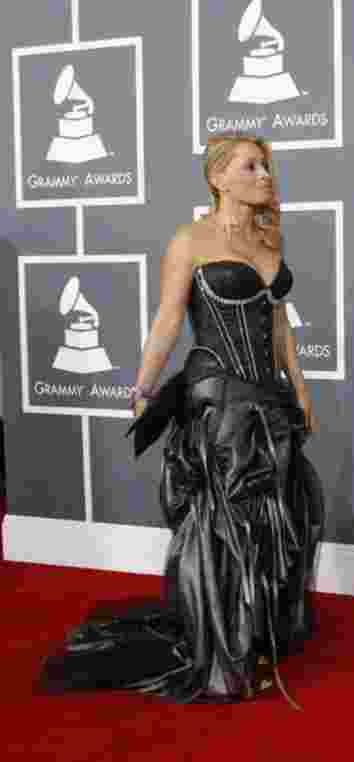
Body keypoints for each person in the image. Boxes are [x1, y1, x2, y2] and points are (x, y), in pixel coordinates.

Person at [40, 133, 324, 706]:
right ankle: (224, 651)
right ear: (218, 177)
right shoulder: (189, 240)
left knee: (277, 519)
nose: (264, 173)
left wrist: (300, 386)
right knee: (229, 527)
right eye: (251, 165)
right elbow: (169, 321)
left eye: (266, 165)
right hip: (219, 402)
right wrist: (145, 387)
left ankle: (255, 634)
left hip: (269, 402)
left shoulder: (268, 236)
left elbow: (278, 326)